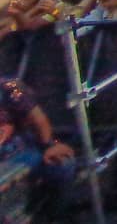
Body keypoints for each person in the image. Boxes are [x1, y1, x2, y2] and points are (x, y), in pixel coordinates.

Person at [0, 77, 76, 221]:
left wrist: (48, 146)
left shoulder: (8, 88)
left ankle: (52, 216)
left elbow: (39, 119)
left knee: (63, 165)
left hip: (20, 150)